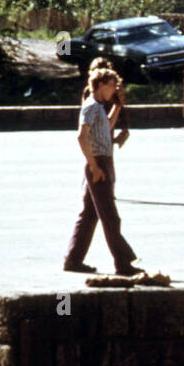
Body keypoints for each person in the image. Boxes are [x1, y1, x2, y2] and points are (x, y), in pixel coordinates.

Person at [63, 68, 142, 276]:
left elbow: (105, 128)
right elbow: (82, 137)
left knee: (89, 215)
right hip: (98, 164)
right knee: (110, 217)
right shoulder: (90, 106)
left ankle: (73, 259)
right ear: (99, 85)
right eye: (111, 86)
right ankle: (123, 263)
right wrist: (94, 166)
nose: (114, 89)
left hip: (102, 162)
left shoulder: (98, 107)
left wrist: (117, 106)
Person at [83, 57, 130, 149]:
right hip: (93, 129)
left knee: (104, 157)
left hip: (109, 127)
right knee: (97, 159)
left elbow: (121, 108)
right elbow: (84, 114)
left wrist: (125, 129)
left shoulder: (112, 89)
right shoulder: (89, 91)